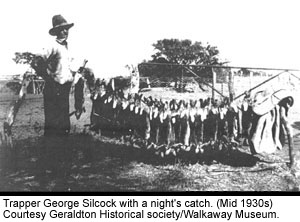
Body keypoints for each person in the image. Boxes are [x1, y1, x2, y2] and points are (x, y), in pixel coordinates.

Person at [31, 14, 85, 136]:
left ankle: (63, 152)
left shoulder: (67, 48)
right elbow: (36, 62)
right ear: (56, 31)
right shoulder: (52, 46)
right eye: (62, 29)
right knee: (52, 124)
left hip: (64, 90)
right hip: (53, 89)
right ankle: (51, 152)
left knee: (64, 123)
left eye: (66, 29)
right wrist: (48, 77)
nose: (65, 31)